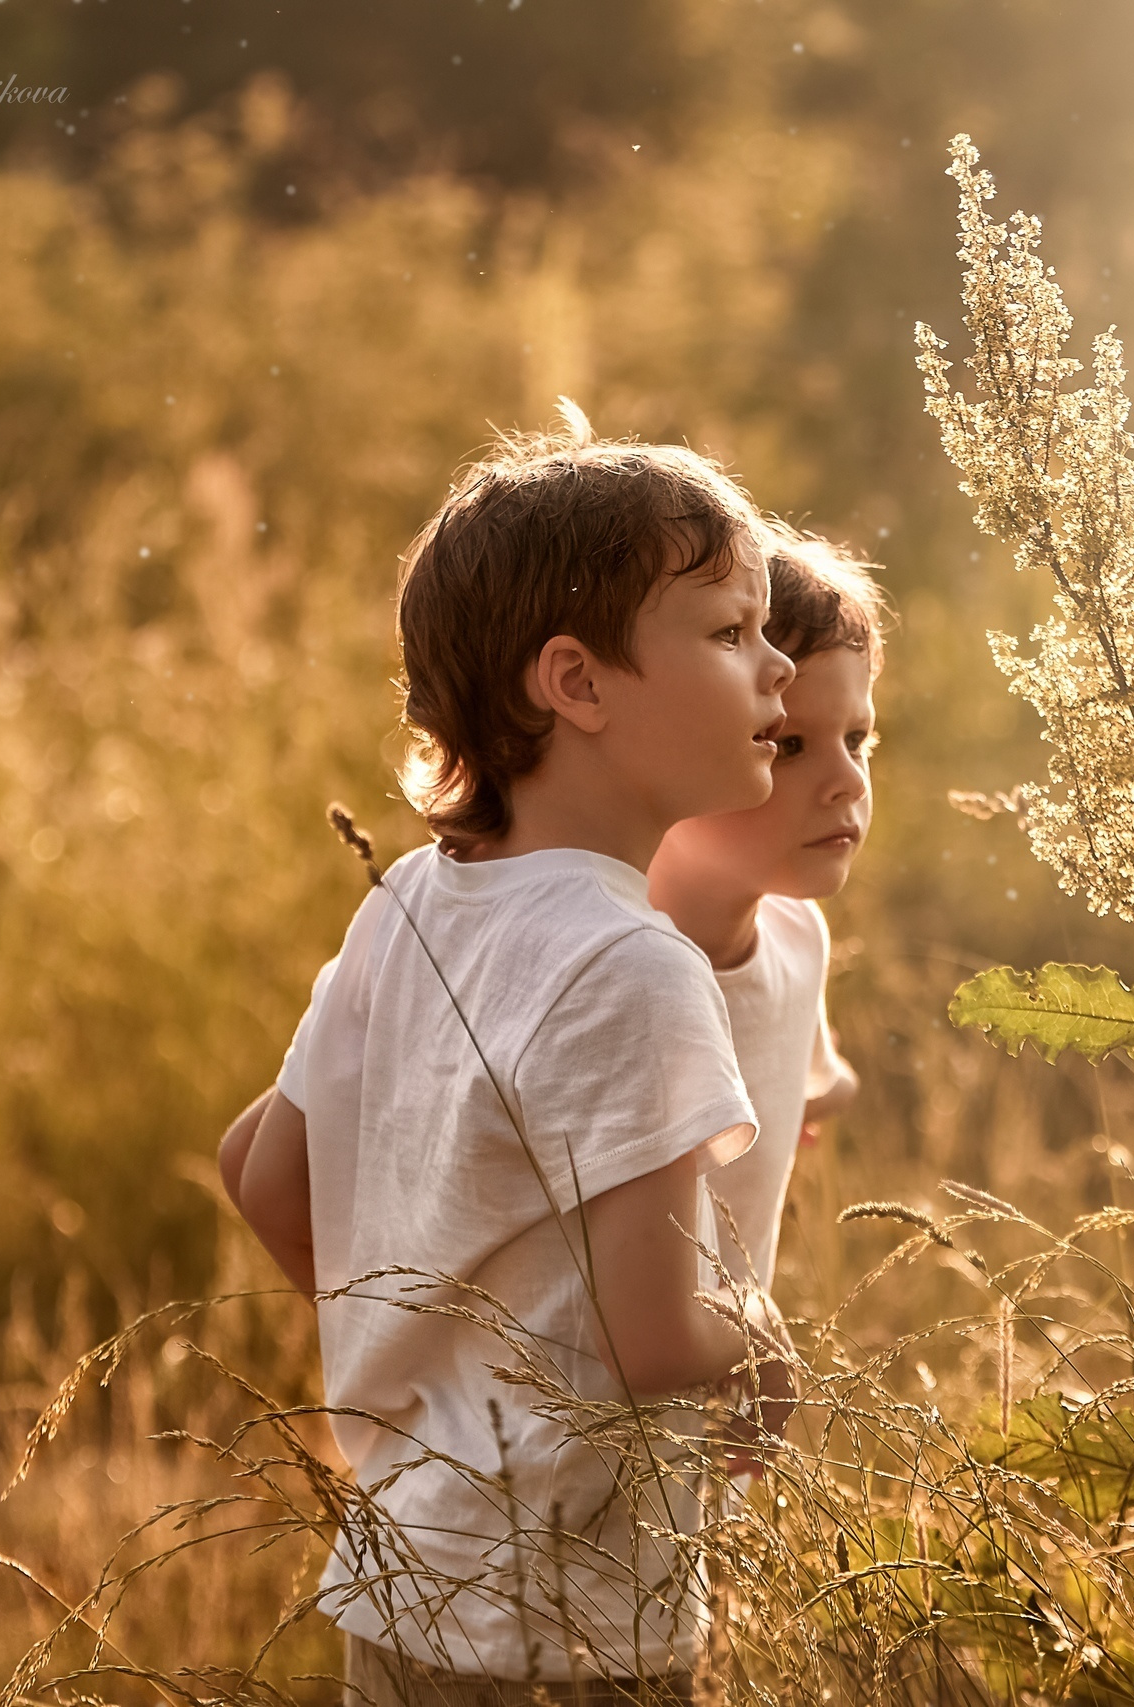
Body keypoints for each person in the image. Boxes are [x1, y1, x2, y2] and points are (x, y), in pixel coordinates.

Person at [216, 422, 796, 1703]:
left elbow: (256, 1173)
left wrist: (423, 1340)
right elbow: (655, 1338)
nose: (778, 666)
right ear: (576, 685)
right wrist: (762, 1347)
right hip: (569, 1614)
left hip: (402, 1581)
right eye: (728, 632)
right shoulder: (634, 965)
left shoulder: (414, 898)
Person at [647, 527, 888, 1301]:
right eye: (788, 746)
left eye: (857, 738)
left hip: (722, 1405)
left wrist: (808, 1097)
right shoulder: (606, 965)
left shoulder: (795, 936)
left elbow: (809, 1071)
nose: (847, 780)